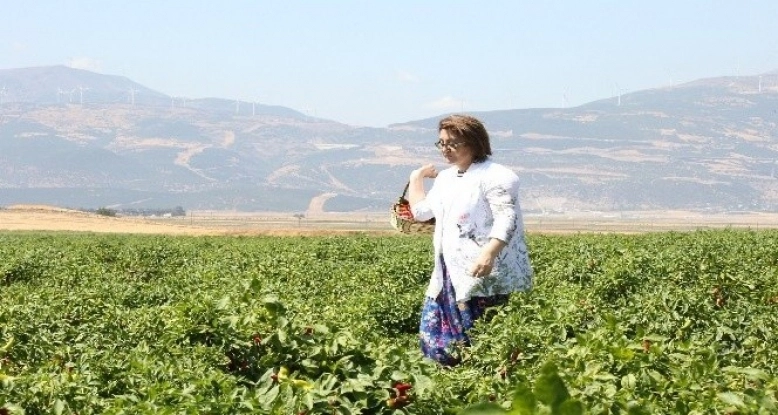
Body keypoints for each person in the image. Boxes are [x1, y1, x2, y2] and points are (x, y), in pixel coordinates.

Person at [407, 114, 533, 366]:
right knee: (435, 340)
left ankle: (485, 389)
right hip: (449, 271)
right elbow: (421, 212)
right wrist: (416, 176)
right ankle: (452, 386)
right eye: (441, 143)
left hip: (485, 271)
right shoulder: (446, 178)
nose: (446, 149)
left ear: (474, 143)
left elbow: (506, 219)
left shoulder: (497, 176)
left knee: (485, 339)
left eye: (453, 143)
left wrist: (489, 252)